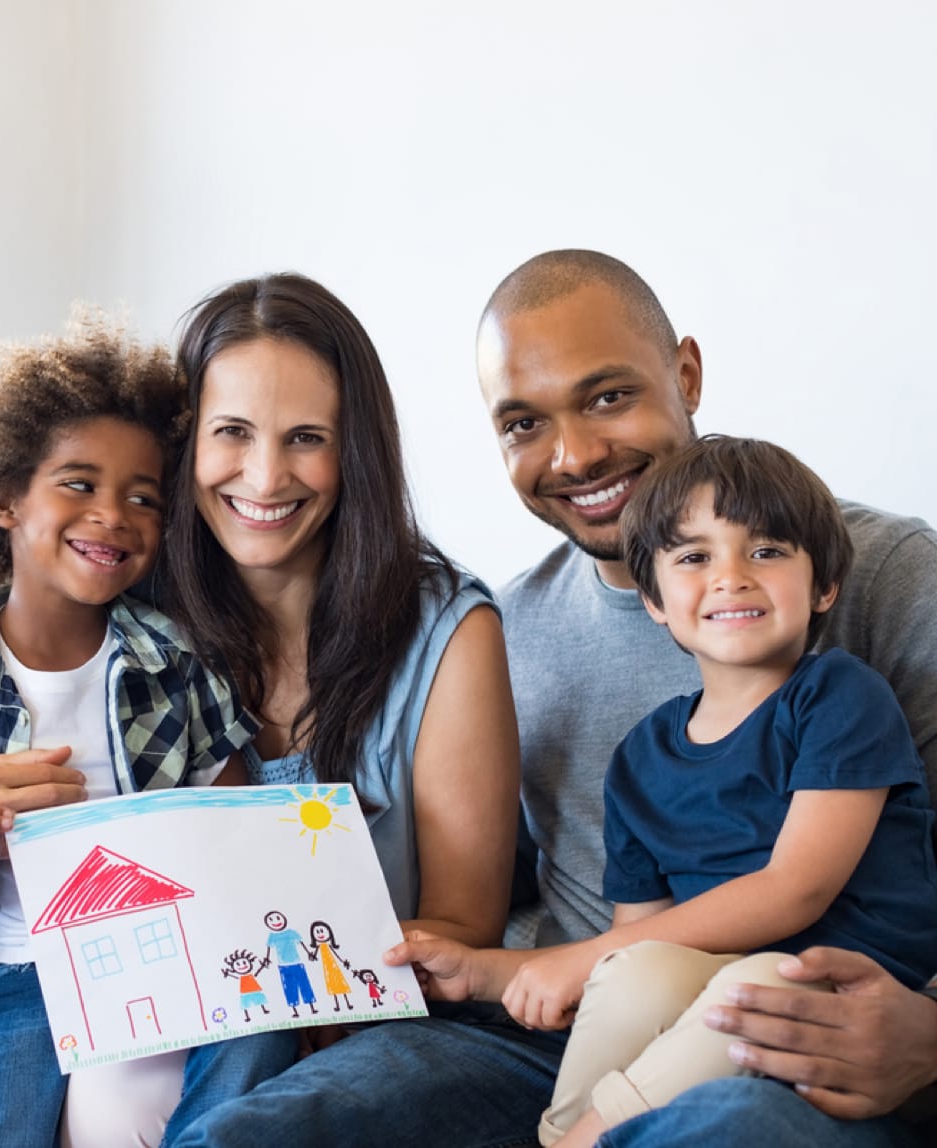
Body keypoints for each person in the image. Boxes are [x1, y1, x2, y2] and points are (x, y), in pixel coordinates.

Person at [163, 252, 937, 1147]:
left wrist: (927, 1039)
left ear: (685, 374)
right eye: (525, 423)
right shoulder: (510, 628)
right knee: (256, 1132)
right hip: (560, 1032)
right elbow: (546, 903)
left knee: (719, 1129)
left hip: (804, 1039)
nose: (575, 454)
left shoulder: (882, 577)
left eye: (609, 397)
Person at [48, 273, 516, 1147]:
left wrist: (290, 988)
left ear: (356, 454)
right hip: (158, 1021)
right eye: (231, 432)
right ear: (184, 444)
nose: (265, 476)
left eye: (307, 438)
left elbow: (462, 925)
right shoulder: (124, 609)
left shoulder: (450, 629)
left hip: (374, 1024)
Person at [0, 313, 258, 1147]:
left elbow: (241, 826)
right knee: (1, 1128)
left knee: (241, 1057)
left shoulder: (174, 659)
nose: (114, 515)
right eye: (79, 484)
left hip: (162, 955)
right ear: (3, 499)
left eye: (142, 497)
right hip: (9, 971)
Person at [534, 435, 937, 1145]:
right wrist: (602, 963)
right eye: (694, 557)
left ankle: (588, 1138)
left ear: (824, 587)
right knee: (637, 976)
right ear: (654, 600)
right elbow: (635, 942)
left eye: (767, 551)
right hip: (713, 984)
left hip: (841, 984)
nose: (731, 577)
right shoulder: (640, 757)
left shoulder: (838, 695)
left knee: (754, 987)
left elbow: (797, 890)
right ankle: (562, 1132)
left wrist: (577, 955)